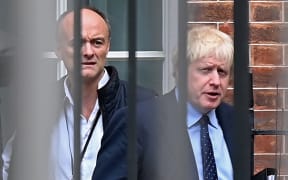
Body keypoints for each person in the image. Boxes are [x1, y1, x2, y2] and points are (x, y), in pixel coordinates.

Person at [2, 6, 156, 180]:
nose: (88, 52)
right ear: (58, 50)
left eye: (97, 42)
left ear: (108, 47)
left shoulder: (144, 104)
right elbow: (12, 166)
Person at [92, 25, 238, 180]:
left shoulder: (235, 122)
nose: (215, 81)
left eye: (222, 72)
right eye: (205, 70)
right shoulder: (136, 122)